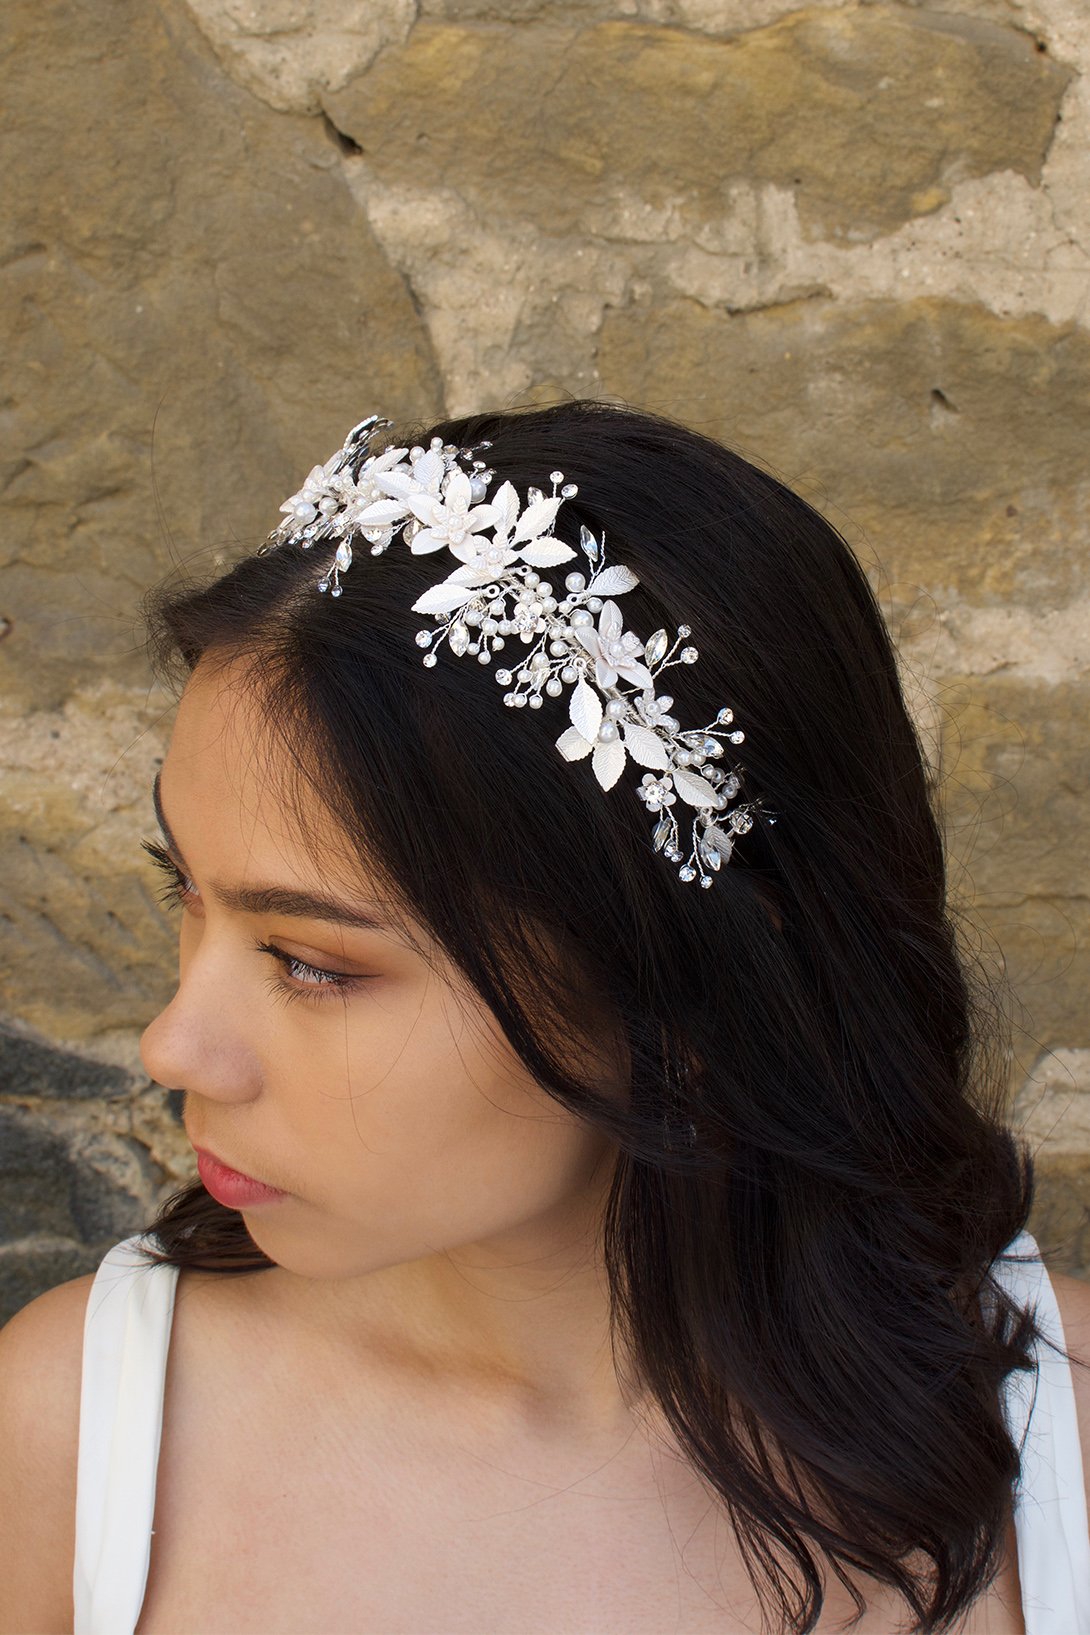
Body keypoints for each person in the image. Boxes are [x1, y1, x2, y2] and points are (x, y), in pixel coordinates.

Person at [1, 399, 1088, 1635]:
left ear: (687, 981)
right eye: (181, 894)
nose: (171, 1047)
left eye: (310, 963)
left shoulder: (1062, 1453)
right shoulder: (76, 1440)